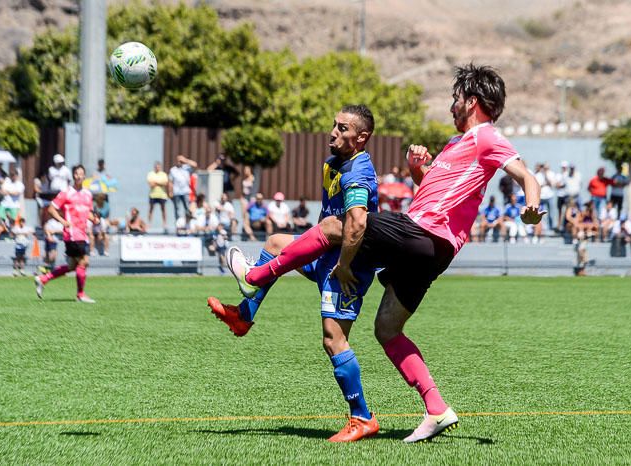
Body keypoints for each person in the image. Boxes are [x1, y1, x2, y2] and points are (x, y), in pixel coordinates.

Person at [226, 65, 544, 443]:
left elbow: (527, 176)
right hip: (430, 248)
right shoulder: (457, 144)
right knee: (387, 330)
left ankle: (255, 277)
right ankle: (437, 409)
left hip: (422, 234)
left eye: (455, 100)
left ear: (471, 101)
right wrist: (416, 170)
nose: (451, 108)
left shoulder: (486, 136)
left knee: (339, 225)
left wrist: (531, 207)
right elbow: (437, 192)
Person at [209, 104, 381, 442]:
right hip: (324, 255)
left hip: (346, 266)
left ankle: (362, 417)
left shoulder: (358, 172)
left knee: (333, 340)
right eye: (334, 124)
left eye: (342, 128)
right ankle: (244, 316)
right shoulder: (334, 164)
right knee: (274, 243)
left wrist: (345, 266)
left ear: (361, 138)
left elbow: (357, 224)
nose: (333, 132)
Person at [34, 164, 97, 303]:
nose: (79, 176)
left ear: (84, 176)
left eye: (81, 173)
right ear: (73, 176)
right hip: (73, 233)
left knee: (72, 266)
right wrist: (63, 221)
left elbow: (89, 214)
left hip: (83, 233)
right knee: (84, 262)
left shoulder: (88, 194)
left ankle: (43, 279)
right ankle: (80, 295)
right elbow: (51, 209)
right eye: (76, 173)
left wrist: (95, 219)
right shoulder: (66, 192)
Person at [168, 154, 198, 222]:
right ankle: (178, 224)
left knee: (187, 208)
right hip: (176, 192)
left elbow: (195, 165)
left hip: (185, 191)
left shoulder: (186, 168)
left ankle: (188, 223)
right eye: (178, 160)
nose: (179, 162)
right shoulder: (173, 170)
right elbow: (170, 181)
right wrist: (170, 192)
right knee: (177, 208)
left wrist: (185, 160)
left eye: (181, 161)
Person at [147, 161, 169, 231]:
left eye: (158, 166)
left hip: (162, 195)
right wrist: (160, 183)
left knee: (163, 209)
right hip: (153, 195)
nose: (157, 168)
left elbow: (165, 183)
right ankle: (149, 223)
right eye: (156, 166)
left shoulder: (164, 174)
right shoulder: (150, 174)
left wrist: (155, 182)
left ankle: (164, 223)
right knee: (151, 209)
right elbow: (151, 185)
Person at [535, 163, 556, 232]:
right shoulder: (538, 175)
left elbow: (551, 184)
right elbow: (537, 186)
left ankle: (551, 227)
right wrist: (544, 184)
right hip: (541, 196)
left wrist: (546, 176)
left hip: (549, 196)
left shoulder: (551, 174)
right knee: (538, 212)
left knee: (551, 213)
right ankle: (539, 227)